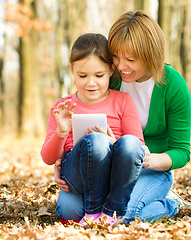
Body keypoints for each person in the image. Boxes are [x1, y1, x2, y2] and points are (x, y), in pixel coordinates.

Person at [54, 10, 191, 224]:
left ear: (150, 55)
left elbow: (182, 152)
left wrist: (147, 160)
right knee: (71, 211)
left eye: (130, 59)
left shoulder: (173, 86)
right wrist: (62, 166)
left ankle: (169, 204)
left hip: (152, 169)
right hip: (110, 169)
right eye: (116, 56)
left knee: (123, 214)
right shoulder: (112, 78)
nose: (120, 66)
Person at [41, 33, 145, 226]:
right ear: (72, 70)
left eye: (99, 75)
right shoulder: (63, 106)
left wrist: (113, 145)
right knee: (96, 141)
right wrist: (61, 133)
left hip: (115, 177)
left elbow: (137, 148)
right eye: (83, 75)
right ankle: (93, 212)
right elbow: (48, 158)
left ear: (111, 70)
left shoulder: (123, 101)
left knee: (128, 142)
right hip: (77, 176)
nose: (91, 82)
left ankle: (112, 211)